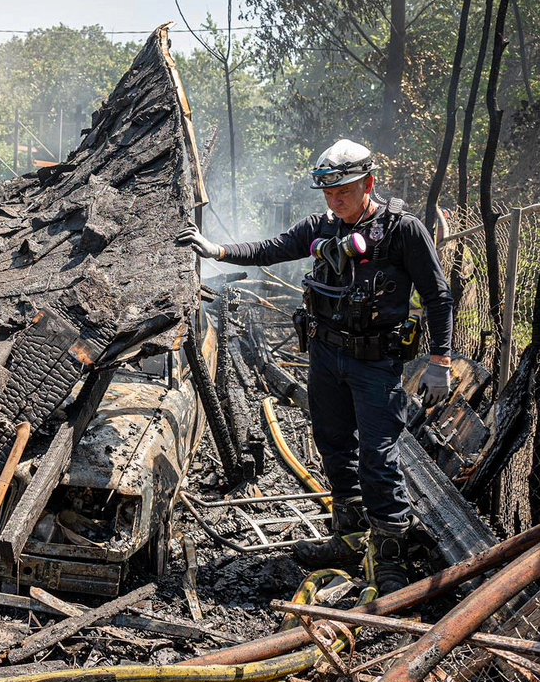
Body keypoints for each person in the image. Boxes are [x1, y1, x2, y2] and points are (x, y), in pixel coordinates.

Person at [176, 139, 454, 593]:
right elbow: (272, 248)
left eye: (343, 190)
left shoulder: (402, 231)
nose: (334, 200)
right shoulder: (321, 226)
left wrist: (441, 359)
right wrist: (217, 250)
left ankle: (389, 559)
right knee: (332, 443)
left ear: (369, 184)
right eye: (327, 192)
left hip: (376, 363)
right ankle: (348, 536)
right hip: (326, 356)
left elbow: (439, 295)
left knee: (378, 457)